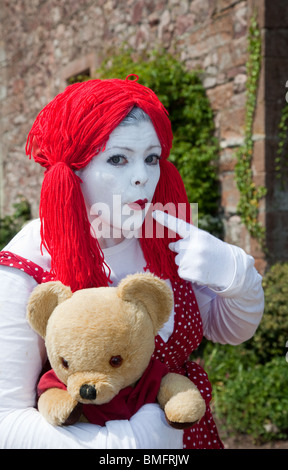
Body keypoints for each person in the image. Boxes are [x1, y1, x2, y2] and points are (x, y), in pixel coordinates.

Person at [0, 75, 264, 449]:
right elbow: (6, 421)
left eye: (151, 158)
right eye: (119, 158)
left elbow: (230, 330)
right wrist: (129, 444)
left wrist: (238, 276)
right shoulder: (28, 261)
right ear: (73, 170)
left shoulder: (162, 239)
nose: (143, 177)